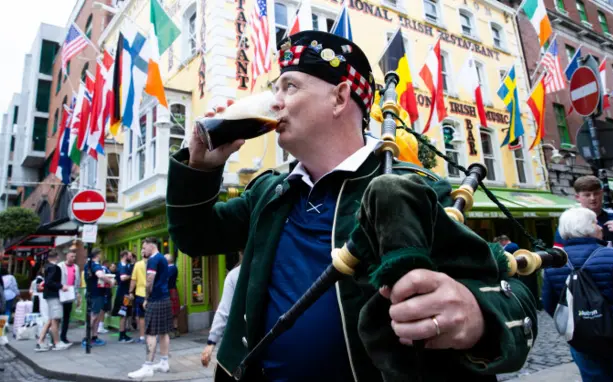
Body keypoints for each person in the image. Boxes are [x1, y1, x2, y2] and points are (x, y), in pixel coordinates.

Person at [166, 31, 538, 381]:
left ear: (340, 98)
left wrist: (475, 314)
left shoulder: (412, 190)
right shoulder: (269, 190)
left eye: (289, 87)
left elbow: (513, 293)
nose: (275, 101)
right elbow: (196, 238)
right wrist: (200, 169)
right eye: (274, 89)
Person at [543, 207, 613, 381]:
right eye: (595, 223)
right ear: (586, 228)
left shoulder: (553, 264)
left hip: (582, 338)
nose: (600, 227)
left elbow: (551, 304)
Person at [554, 176, 613, 255]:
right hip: (587, 270)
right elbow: (559, 252)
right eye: (587, 195)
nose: (592, 198)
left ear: (602, 193)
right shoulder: (570, 220)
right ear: (577, 197)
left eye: (596, 193)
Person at [128, 238, 173, 379]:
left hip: (155, 300)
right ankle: (164, 362)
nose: (143, 250)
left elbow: (149, 281)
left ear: (151, 245)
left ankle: (148, 366)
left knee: (150, 333)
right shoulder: (163, 258)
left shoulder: (153, 260)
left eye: (144, 247)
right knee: (164, 332)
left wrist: (146, 298)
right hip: (165, 298)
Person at [201, 254, 242, 368]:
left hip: (242, 343)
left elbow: (224, 311)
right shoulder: (274, 269)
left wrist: (211, 343)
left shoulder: (235, 274)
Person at [35, 251, 71, 352]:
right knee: (55, 319)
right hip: (54, 295)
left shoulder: (47, 267)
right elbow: (50, 282)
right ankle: (56, 343)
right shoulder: (54, 267)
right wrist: (61, 286)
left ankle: (41, 341)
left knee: (51, 319)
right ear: (57, 257)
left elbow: (47, 281)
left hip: (49, 295)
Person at [83, 248, 114, 347]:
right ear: (98, 255)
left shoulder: (88, 264)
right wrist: (110, 281)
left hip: (92, 293)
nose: (102, 256)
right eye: (101, 254)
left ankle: (94, 337)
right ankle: (86, 338)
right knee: (94, 316)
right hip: (96, 294)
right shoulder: (95, 265)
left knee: (95, 317)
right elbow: (100, 275)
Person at [57, 251, 81, 345]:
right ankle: (54, 336)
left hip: (70, 293)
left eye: (74, 256)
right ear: (67, 256)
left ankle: (63, 336)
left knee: (67, 316)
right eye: (71, 256)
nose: (73, 258)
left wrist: (77, 293)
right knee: (57, 316)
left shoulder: (76, 267)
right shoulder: (60, 266)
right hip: (61, 291)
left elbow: (77, 281)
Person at [112, 250, 134, 343]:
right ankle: (122, 336)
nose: (131, 257)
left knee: (125, 314)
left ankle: (123, 334)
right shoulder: (122, 266)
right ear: (125, 256)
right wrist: (132, 275)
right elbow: (123, 278)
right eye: (129, 255)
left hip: (125, 294)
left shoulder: (123, 266)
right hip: (123, 295)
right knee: (123, 314)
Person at [129, 250, 148, 344]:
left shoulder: (138, 265)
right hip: (152, 294)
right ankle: (154, 336)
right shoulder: (154, 263)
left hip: (140, 293)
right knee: (153, 316)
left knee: (141, 317)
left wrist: (130, 291)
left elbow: (133, 280)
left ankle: (142, 337)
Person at [164, 253, 180, 338]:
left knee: (171, 312)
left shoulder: (172, 268)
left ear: (168, 260)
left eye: (164, 259)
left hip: (170, 290)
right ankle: (174, 330)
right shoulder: (170, 268)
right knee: (173, 312)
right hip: (171, 290)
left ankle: (172, 330)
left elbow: (166, 279)